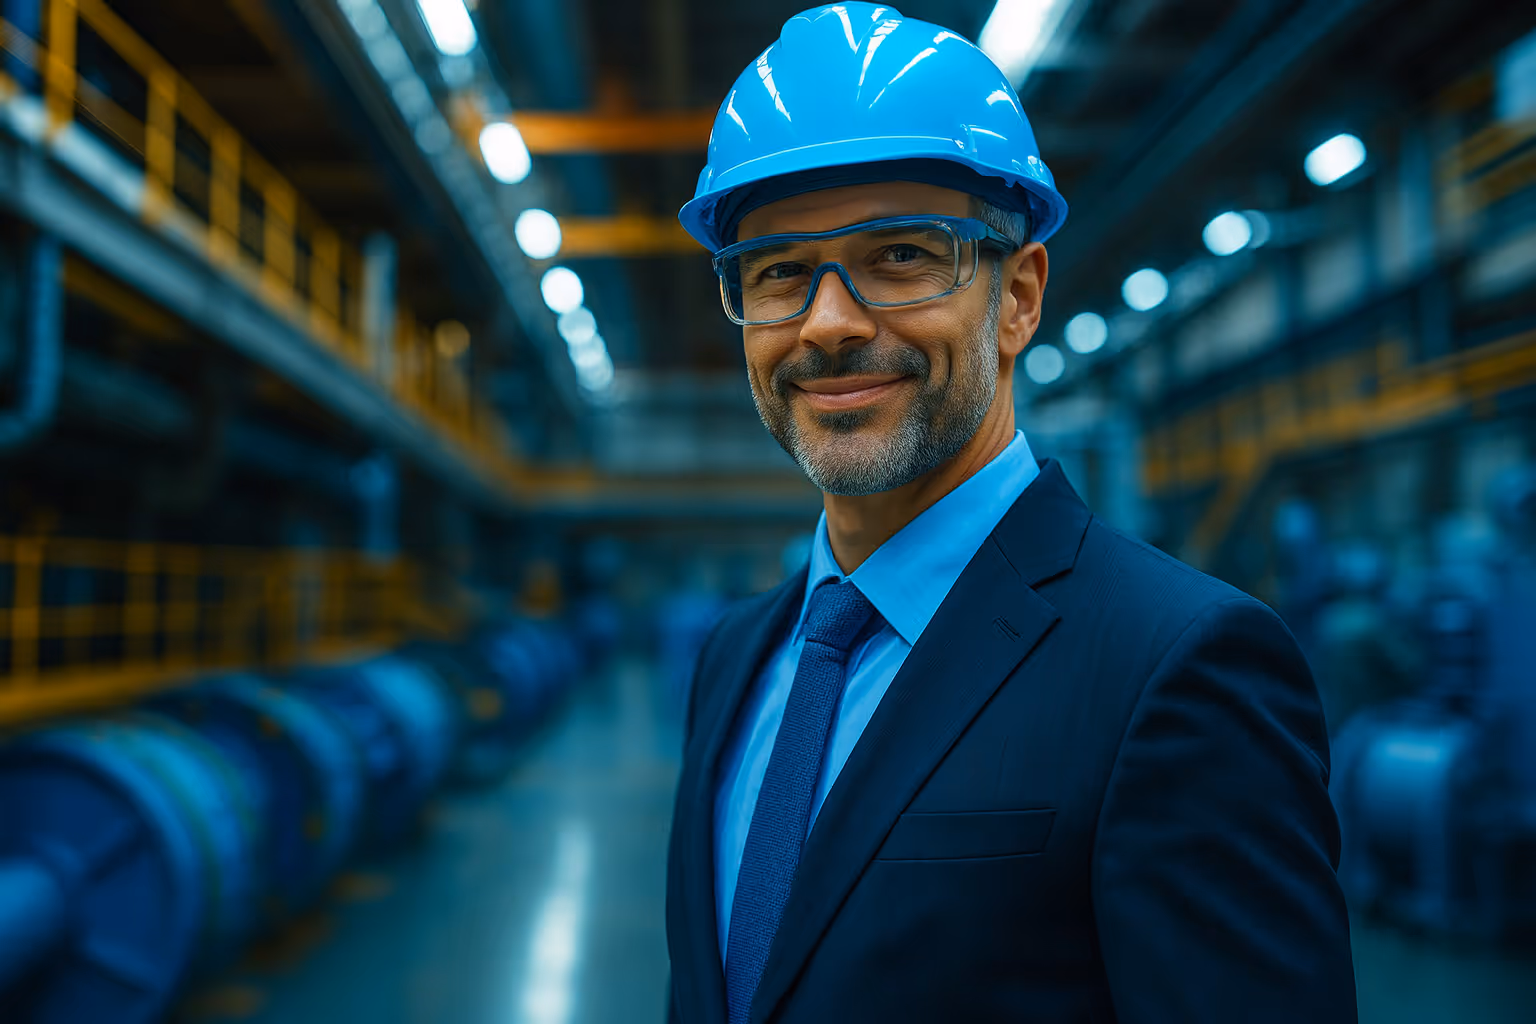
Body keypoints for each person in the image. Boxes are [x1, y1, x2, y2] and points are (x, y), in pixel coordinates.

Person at [664, 6, 1356, 1023]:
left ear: (1020, 295)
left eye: (901, 255)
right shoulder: (736, 658)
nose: (829, 322)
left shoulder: (1177, 667)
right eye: (778, 272)